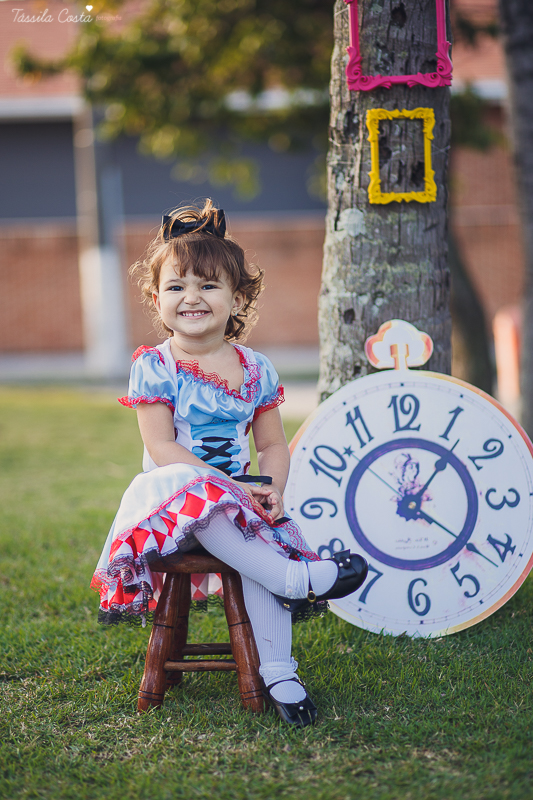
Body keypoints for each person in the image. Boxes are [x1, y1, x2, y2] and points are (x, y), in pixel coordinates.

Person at [91, 200, 368, 727]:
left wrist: (270, 489)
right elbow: (162, 448)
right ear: (156, 299)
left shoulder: (255, 369)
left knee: (262, 525)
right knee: (210, 496)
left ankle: (282, 674)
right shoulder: (156, 365)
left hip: (233, 502)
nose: (191, 297)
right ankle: (295, 578)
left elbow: (271, 446)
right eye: (176, 287)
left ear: (238, 298)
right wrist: (234, 490)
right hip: (170, 506)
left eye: (208, 285)